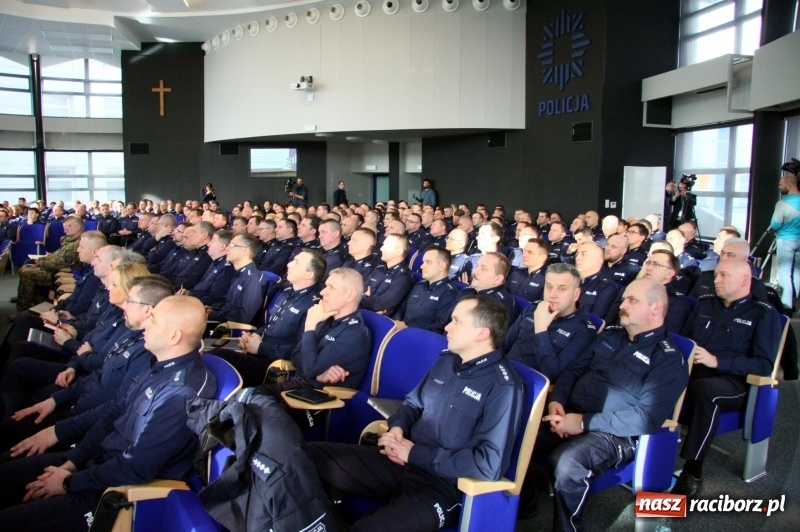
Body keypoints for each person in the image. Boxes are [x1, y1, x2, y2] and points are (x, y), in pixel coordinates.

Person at [306, 295, 523, 531]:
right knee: (307, 456)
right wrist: (397, 427)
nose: (447, 327)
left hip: (442, 485)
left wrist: (415, 453)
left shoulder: (503, 387)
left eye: (456, 321)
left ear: (482, 333)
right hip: (402, 461)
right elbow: (412, 404)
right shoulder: (447, 360)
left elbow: (488, 464)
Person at [0, 295, 217, 531]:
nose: (146, 324)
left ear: (174, 336)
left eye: (153, 320)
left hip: (115, 491)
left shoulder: (182, 393)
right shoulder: (160, 365)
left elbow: (136, 467)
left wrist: (69, 482)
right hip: (96, 465)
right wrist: (73, 462)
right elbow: (113, 414)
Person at [523, 279, 688, 530]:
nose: (623, 305)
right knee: (518, 433)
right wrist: (558, 401)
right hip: (571, 413)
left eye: (632, 300)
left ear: (656, 308)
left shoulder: (668, 360)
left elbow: (645, 418)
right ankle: (524, 501)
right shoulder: (611, 335)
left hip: (615, 432)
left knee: (567, 462)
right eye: (623, 299)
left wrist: (582, 422)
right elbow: (574, 370)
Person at [672, 260, 781, 499]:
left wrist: (718, 362)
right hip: (695, 373)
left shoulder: (762, 314)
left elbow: (763, 365)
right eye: (716, 274)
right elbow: (685, 341)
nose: (715, 280)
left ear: (744, 281)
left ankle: (693, 471)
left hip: (735, 383)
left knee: (705, 390)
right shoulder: (705, 305)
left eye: (723, 275)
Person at [212, 250, 324, 387]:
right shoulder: (287, 291)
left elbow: (300, 350)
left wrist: (261, 347)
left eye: (297, 263)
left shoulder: (314, 305)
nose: (289, 264)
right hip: (256, 351)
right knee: (213, 355)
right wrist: (252, 337)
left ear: (309, 274)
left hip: (274, 366)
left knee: (215, 357)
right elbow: (270, 325)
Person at [256, 267, 371, 397]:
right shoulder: (325, 318)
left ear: (350, 295)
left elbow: (310, 369)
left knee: (251, 400)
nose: (322, 292)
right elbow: (295, 356)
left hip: (314, 399)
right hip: (297, 385)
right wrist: (318, 374)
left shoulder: (355, 333)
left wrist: (310, 325)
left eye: (331, 287)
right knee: (248, 395)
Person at [502, 263, 596, 381]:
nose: (552, 295)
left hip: (527, 384)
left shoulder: (583, 330)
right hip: (502, 372)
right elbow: (505, 344)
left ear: (576, 294)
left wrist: (541, 329)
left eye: (562, 289)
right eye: (549, 287)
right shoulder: (534, 308)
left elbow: (553, 374)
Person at [13, 216, 84, 314]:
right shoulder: (69, 240)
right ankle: (37, 305)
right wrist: (41, 260)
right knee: (26, 267)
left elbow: (59, 263)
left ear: (77, 228)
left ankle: (23, 310)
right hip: (55, 269)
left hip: (61, 273)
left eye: (69, 226)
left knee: (27, 272)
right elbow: (56, 256)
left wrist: (40, 262)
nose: (65, 229)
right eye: (65, 226)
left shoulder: (75, 243)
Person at [393, 247, 460, 334]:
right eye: (423, 262)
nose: (421, 266)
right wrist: (395, 322)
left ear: (441, 266)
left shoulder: (449, 293)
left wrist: (408, 326)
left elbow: (440, 327)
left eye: (428, 262)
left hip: (421, 337)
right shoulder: (419, 286)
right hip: (399, 332)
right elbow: (402, 309)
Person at [207, 233, 267, 324]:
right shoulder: (239, 273)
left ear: (245, 251)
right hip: (222, 320)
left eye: (232, 245)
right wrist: (212, 309)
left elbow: (243, 316)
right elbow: (228, 303)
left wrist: (212, 315)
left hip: (230, 329)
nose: (227, 248)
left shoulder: (252, 279)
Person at [770, 158, 800, 310]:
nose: (779, 187)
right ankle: (794, 301)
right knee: (797, 272)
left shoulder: (782, 204)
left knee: (784, 272)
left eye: (781, 185)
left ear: (789, 185)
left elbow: (775, 224)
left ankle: (786, 305)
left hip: (786, 240)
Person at [361, 234, 414, 316]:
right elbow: (361, 290)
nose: (381, 248)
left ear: (399, 251)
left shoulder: (403, 277)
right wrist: (365, 298)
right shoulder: (379, 268)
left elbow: (379, 304)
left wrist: (364, 298)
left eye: (387, 246)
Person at [506, 238, 549, 303]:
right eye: (524, 251)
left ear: (543, 257)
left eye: (530, 252)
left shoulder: (547, 279)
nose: (524, 255)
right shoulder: (516, 273)